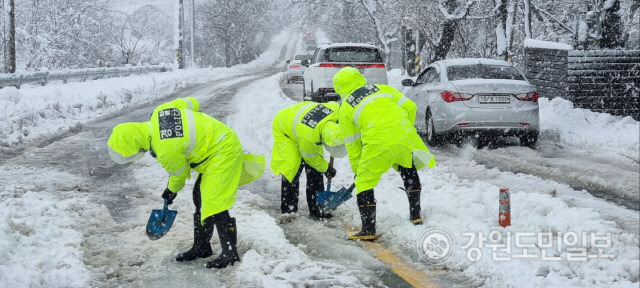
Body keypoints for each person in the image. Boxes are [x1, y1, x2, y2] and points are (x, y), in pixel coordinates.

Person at [107, 97, 264, 269]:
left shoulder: (164, 149)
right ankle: (202, 247)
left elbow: (180, 174)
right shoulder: (161, 111)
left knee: (214, 202)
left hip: (222, 152)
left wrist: (171, 190)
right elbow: (192, 103)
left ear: (136, 145)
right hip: (218, 141)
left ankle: (230, 253)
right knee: (199, 197)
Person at [332, 67, 437, 241]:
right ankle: (416, 215)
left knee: (364, 182)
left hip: (377, 140)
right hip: (403, 135)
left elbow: (353, 144)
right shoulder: (383, 88)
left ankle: (368, 229)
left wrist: (358, 168)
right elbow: (410, 106)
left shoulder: (346, 108)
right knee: (407, 168)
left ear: (340, 87)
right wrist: (402, 127)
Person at [271, 101, 346, 220]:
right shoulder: (309, 136)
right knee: (292, 169)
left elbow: (335, 105)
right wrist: (327, 168)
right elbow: (311, 159)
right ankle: (289, 210)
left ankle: (317, 210)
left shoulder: (337, 111)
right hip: (285, 126)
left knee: (315, 172)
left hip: (306, 123)